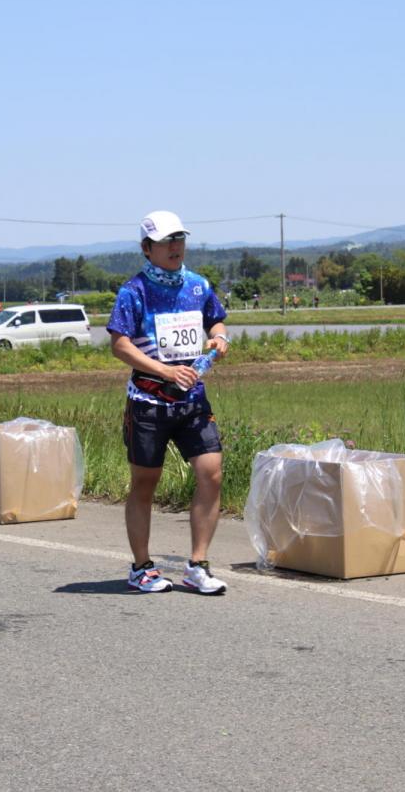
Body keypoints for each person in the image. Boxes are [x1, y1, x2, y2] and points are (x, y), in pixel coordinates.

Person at [107, 211, 230, 595]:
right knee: (145, 483)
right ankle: (141, 568)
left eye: (179, 239)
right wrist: (164, 371)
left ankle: (197, 565)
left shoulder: (198, 284)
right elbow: (120, 345)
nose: (175, 247)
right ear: (147, 249)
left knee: (211, 472)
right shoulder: (133, 291)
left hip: (192, 399)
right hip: (148, 401)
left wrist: (219, 338)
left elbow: (217, 321)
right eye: (166, 241)